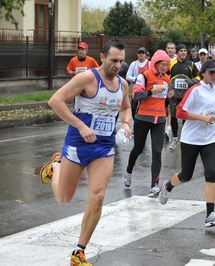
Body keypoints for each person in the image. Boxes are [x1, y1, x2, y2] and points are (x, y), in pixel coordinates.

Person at [39, 39, 132, 266]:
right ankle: (56, 166)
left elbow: (126, 107)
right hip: (78, 144)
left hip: (103, 147)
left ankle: (79, 252)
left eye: (121, 61)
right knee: (64, 198)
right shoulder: (88, 78)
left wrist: (126, 124)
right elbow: (55, 101)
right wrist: (81, 125)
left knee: (98, 196)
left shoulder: (122, 85)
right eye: (113, 60)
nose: (117, 65)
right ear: (102, 57)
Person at [158, 59, 215, 228]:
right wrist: (201, 118)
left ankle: (210, 215)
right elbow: (180, 112)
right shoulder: (195, 90)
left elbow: (213, 112)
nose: (214, 75)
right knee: (186, 175)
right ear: (203, 72)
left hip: (209, 139)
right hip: (191, 139)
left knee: (210, 173)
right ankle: (167, 185)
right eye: (211, 72)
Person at [123, 50, 171, 196]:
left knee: (157, 152)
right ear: (155, 64)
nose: (164, 67)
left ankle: (154, 186)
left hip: (160, 119)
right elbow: (136, 96)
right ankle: (128, 171)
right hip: (143, 118)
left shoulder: (167, 79)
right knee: (138, 148)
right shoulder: (144, 76)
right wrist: (151, 91)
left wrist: (169, 97)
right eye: (162, 64)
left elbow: (164, 101)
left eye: (166, 65)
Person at [168, 43, 199, 150]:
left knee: (185, 117)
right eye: (181, 51)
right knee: (173, 116)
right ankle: (175, 138)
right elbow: (164, 75)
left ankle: (185, 138)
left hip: (186, 96)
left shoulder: (190, 64)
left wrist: (192, 81)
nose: (183, 52)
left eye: (185, 51)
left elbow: (200, 76)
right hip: (174, 96)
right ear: (177, 52)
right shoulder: (171, 64)